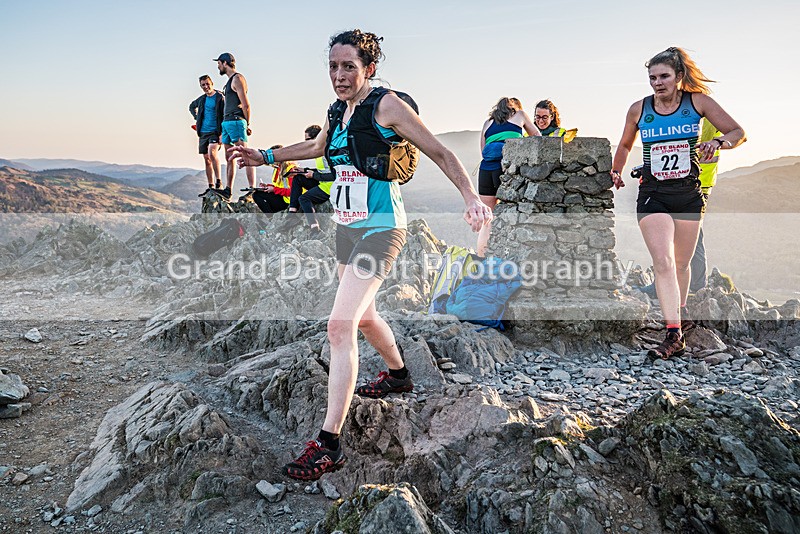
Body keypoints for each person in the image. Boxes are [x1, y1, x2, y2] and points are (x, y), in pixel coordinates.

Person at [228, 29, 491, 480]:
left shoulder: (386, 105)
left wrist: (470, 197)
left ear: (369, 67)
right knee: (365, 315)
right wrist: (265, 154)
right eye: (332, 66)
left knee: (339, 324)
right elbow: (314, 148)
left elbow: (440, 151)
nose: (339, 75)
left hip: (383, 230)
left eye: (348, 65)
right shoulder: (337, 110)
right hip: (346, 230)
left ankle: (329, 442)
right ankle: (399, 374)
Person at [611, 47, 745, 360]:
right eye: (652, 78)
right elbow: (625, 143)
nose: (657, 83)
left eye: (664, 76)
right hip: (653, 192)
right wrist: (616, 170)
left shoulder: (697, 102)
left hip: (687, 192)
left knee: (682, 264)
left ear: (678, 77)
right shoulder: (639, 109)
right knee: (664, 261)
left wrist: (717, 142)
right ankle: (673, 333)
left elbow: (738, 132)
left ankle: (678, 318)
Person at [638, 117, 721, 299]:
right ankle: (692, 284)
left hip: (694, 183)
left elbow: (692, 147)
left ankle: (692, 285)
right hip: (692, 181)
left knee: (689, 237)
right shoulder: (698, 112)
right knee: (687, 236)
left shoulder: (700, 115)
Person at [476, 97, 540, 256]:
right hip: (503, 169)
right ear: (514, 108)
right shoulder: (520, 115)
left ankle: (480, 256)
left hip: (485, 170)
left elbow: (482, 150)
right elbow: (538, 137)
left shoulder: (487, 123)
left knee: (487, 219)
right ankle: (505, 257)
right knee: (508, 214)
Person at [214, 52, 256, 201]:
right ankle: (228, 190)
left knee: (246, 154)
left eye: (219, 63)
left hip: (236, 121)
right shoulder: (228, 82)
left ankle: (252, 190)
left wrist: (247, 123)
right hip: (226, 123)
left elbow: (246, 104)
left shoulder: (238, 78)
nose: (218, 66)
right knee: (229, 157)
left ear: (225, 63)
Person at [288, 125, 335, 234]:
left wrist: (313, 175)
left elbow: (334, 175)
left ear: (317, 138)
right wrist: (304, 170)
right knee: (298, 177)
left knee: (304, 198)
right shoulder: (319, 152)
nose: (306, 143)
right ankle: (292, 212)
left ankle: (315, 227)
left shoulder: (327, 152)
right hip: (322, 181)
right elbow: (322, 169)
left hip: (330, 187)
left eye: (308, 140)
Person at [189, 75, 225, 194]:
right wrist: (196, 118)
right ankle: (211, 185)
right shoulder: (201, 99)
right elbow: (191, 106)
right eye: (203, 85)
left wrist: (222, 133)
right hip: (203, 132)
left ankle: (219, 182)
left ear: (212, 83)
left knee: (212, 153)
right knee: (206, 159)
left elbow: (225, 114)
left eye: (207, 84)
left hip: (216, 132)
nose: (205, 87)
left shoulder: (220, 97)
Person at [251, 145, 299, 213]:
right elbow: (281, 186)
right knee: (257, 194)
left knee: (258, 195)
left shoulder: (290, 170)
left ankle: (272, 217)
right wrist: (268, 186)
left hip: (291, 202)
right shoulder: (278, 169)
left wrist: (274, 190)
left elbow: (293, 192)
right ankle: (271, 217)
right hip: (284, 198)